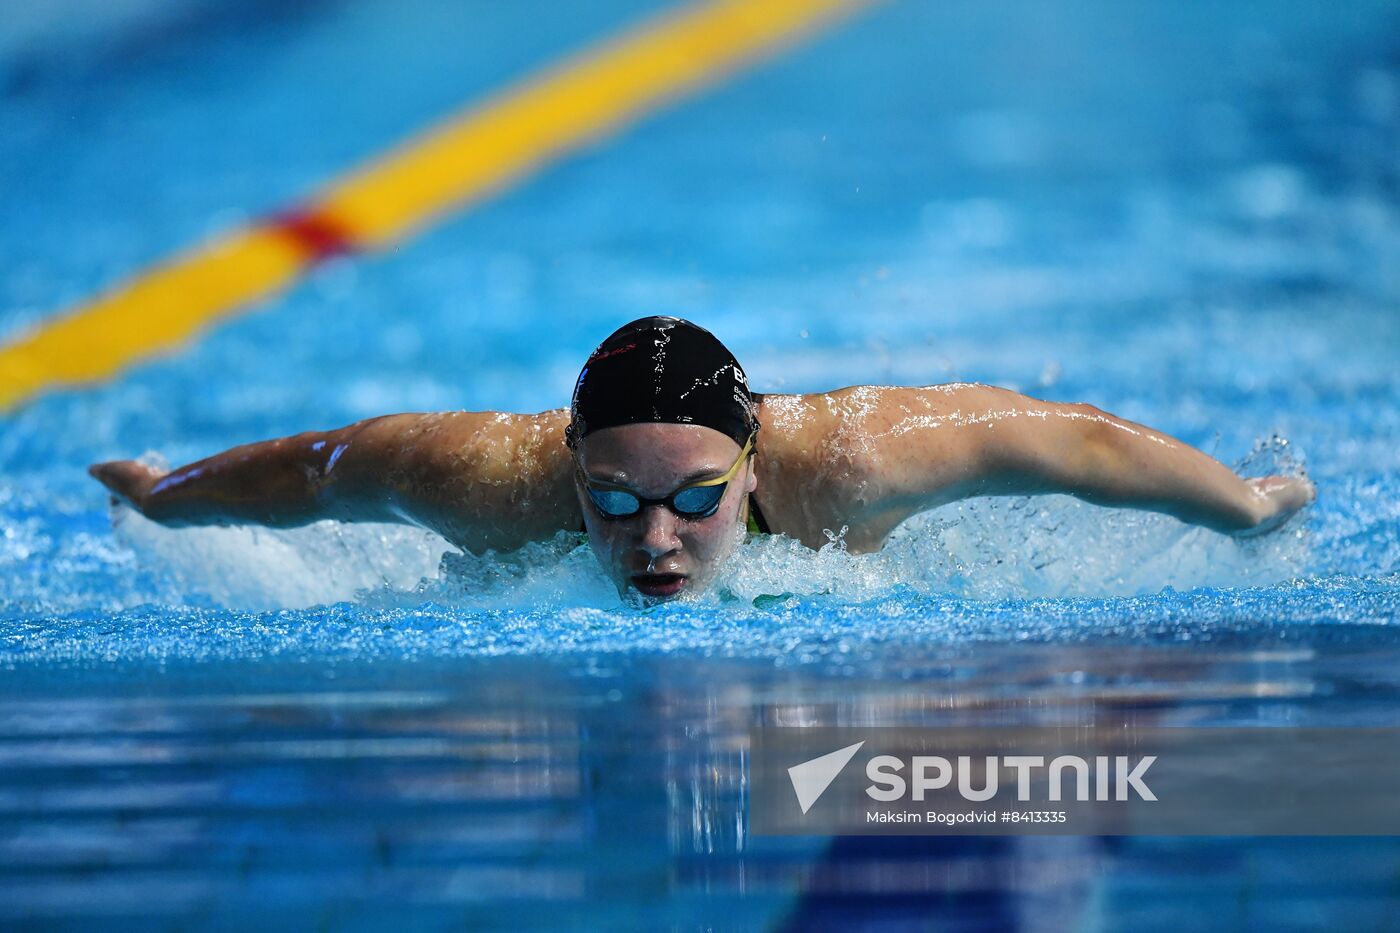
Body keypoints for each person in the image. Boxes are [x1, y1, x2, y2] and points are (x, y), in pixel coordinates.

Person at [89, 316, 1314, 602]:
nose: (654, 540)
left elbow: (1075, 444)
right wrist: (166, 495)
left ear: (751, 456)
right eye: (611, 501)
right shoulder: (483, 482)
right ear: (567, 469)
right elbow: (317, 471)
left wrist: (1245, 508)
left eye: (692, 500)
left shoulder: (855, 464)